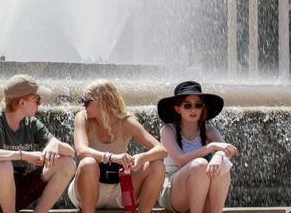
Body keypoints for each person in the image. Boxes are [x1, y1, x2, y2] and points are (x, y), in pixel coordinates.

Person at [0, 74, 76, 213]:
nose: (40, 104)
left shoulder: (31, 124)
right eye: (37, 100)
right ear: (22, 102)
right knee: (4, 165)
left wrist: (54, 144)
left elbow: (70, 152)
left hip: (16, 190)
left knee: (67, 163)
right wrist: (23, 155)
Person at [68, 79, 167, 213]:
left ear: (103, 101)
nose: (83, 105)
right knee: (88, 164)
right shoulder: (82, 118)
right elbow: (81, 151)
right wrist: (112, 157)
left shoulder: (126, 122)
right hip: (88, 191)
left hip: (120, 190)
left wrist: (141, 158)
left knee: (158, 166)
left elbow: (161, 150)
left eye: (87, 101)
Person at [157, 81, 238, 213]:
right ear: (178, 108)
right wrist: (211, 147)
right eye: (187, 105)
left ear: (202, 108)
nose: (193, 109)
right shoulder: (168, 130)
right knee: (200, 165)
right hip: (174, 191)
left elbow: (228, 150)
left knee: (223, 164)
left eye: (198, 105)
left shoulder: (209, 130)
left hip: (201, 191)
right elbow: (181, 160)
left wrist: (218, 155)